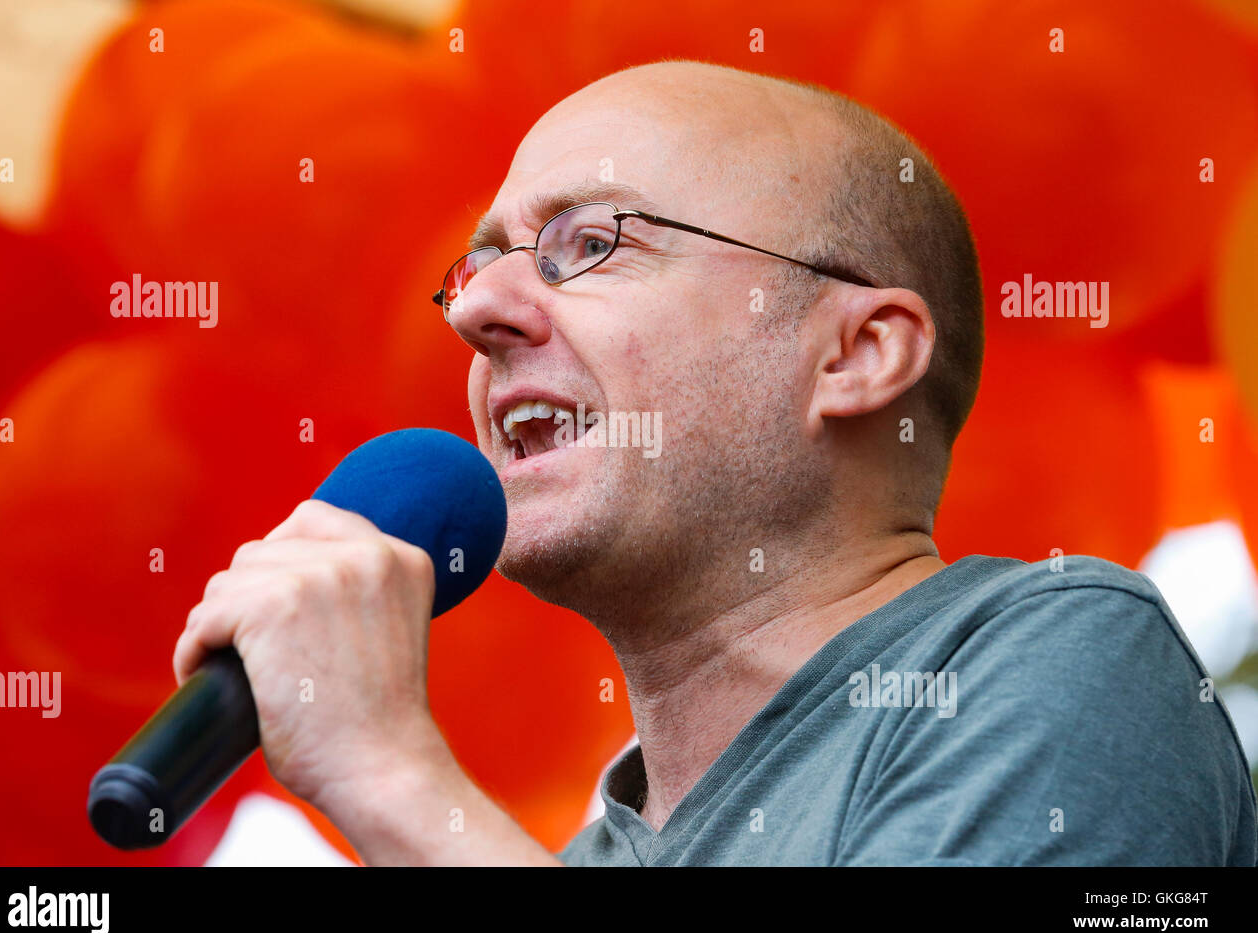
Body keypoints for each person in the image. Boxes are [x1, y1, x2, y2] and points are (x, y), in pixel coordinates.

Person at [173, 60, 1257, 866]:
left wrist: (387, 772)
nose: (476, 312)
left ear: (856, 355)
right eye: (478, 266)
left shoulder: (1065, 651)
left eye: (590, 243)